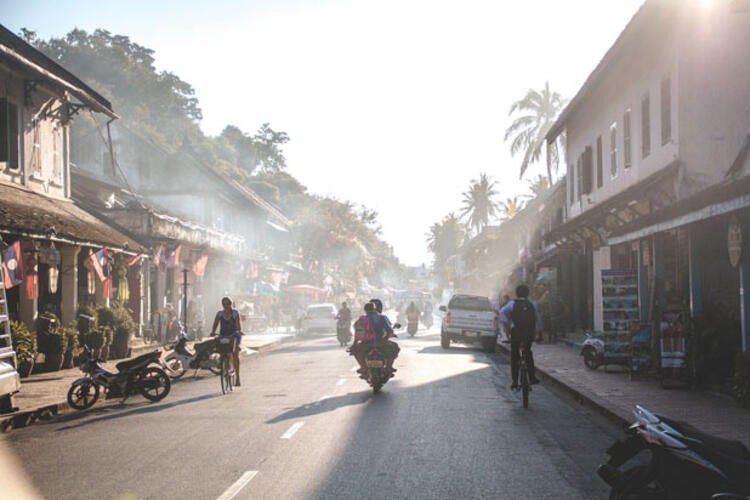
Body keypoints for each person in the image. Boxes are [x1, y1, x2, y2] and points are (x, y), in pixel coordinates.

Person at [499, 284, 542, 391]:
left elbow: (502, 314)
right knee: (527, 352)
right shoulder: (532, 304)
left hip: (516, 333)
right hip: (528, 334)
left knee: (514, 356)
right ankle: (532, 377)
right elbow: (539, 321)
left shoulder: (512, 303)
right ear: (528, 294)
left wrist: (507, 328)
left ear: (517, 294)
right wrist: (538, 334)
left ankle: (514, 382)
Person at [210, 296, 243, 386]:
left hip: (234, 335)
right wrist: (213, 331)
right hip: (223, 335)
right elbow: (215, 323)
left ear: (231, 304)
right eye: (224, 304)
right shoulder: (220, 314)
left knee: (235, 353)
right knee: (222, 352)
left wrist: (239, 331)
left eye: (228, 304)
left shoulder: (235, 313)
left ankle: (237, 377)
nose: (226, 306)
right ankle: (224, 367)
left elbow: (238, 324)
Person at [369, 298, 400, 372]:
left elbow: (357, 329)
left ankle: (363, 367)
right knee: (395, 348)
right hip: (381, 342)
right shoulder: (382, 317)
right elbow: (389, 329)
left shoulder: (363, 318)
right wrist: (386, 338)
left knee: (356, 351)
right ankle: (389, 366)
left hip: (367, 343)